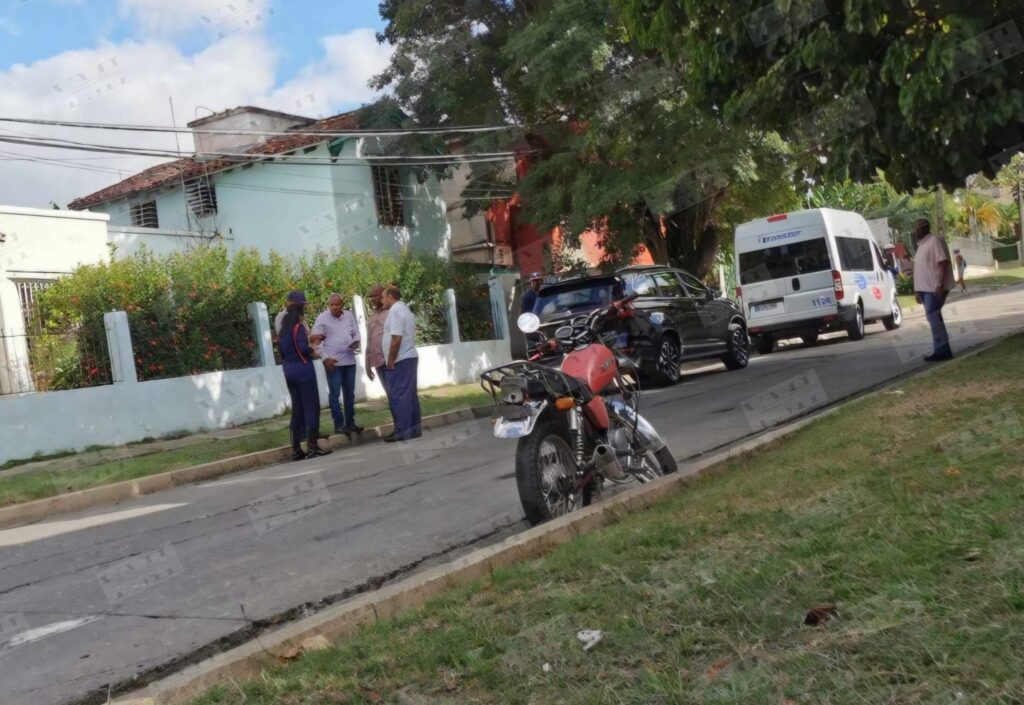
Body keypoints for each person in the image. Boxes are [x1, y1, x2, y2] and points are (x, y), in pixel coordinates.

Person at [278, 291, 332, 459]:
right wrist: (312, 348)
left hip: (288, 370)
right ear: (300, 308)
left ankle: (295, 449)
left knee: (297, 410)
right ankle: (312, 446)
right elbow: (302, 348)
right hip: (303, 370)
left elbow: (282, 351)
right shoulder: (298, 327)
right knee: (311, 407)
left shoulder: (282, 330)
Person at [310, 293, 363, 435]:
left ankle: (350, 423)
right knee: (335, 394)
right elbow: (315, 342)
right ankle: (339, 425)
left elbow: (356, 333)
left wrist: (356, 340)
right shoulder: (322, 319)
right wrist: (325, 358)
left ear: (342, 304)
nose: (334, 307)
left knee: (349, 394)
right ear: (328, 305)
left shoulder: (349, 316)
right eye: (331, 305)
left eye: (337, 304)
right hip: (333, 363)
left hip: (349, 360)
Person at [380, 286, 422, 442]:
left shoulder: (396, 311)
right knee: (409, 395)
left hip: (401, 359)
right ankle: (413, 430)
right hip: (408, 357)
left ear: (391, 296)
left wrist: (390, 360)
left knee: (399, 396)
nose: (382, 300)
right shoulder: (405, 310)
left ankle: (403, 431)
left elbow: (396, 339)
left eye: (383, 297)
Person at [912, 218, 956, 362]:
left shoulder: (934, 241)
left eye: (917, 228)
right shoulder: (922, 245)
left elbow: (943, 262)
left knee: (934, 317)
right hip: (924, 289)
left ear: (925, 227)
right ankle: (941, 349)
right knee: (933, 318)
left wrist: (940, 285)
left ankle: (942, 351)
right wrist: (918, 291)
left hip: (934, 288)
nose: (915, 231)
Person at [364, 284, 390, 395]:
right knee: (389, 393)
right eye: (370, 297)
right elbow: (369, 341)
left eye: (374, 296)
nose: (371, 299)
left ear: (382, 295)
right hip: (378, 361)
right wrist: (367, 364)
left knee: (397, 392)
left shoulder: (391, 312)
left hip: (391, 360)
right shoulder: (372, 316)